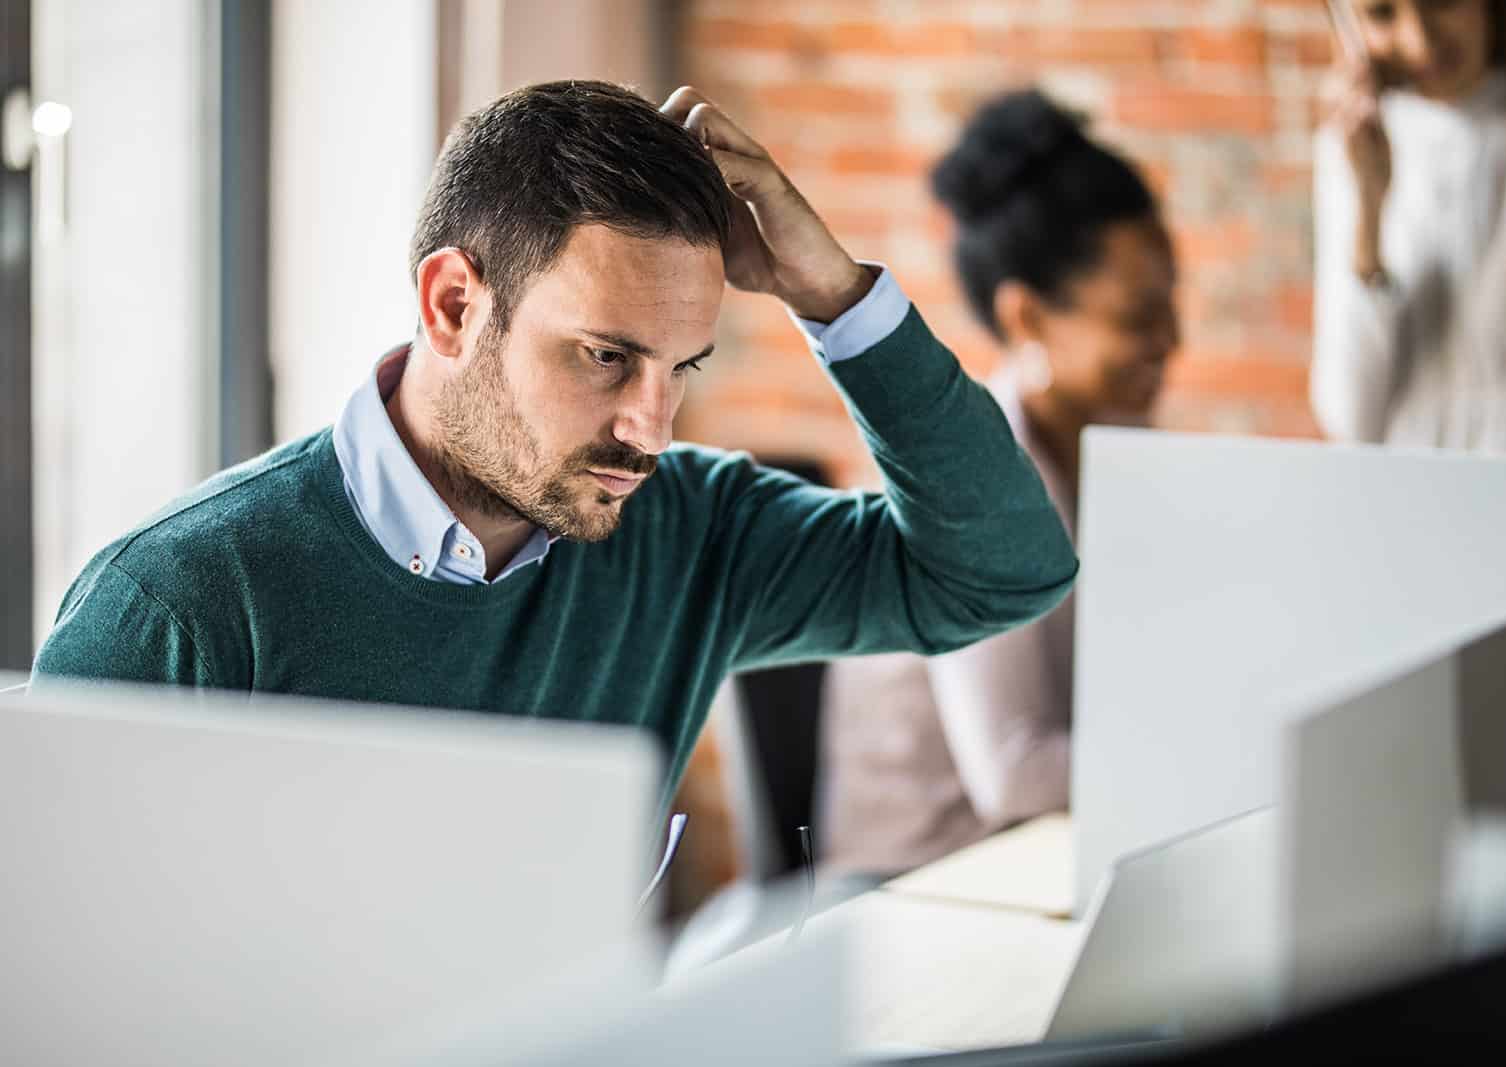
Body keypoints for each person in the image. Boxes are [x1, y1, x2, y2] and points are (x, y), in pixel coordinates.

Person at [30, 82, 1078, 806]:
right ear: (452, 304)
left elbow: (1003, 573)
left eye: (684, 368)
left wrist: (834, 296)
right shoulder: (177, 607)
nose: (651, 430)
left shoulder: (686, 531)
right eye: (605, 356)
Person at [818, 91, 1178, 877]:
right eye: (1138, 316)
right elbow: (1013, 770)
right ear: (1028, 317)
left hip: (1045, 858)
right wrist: (1211, 751)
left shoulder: (1122, 448)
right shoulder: (975, 476)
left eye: (1172, 303)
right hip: (919, 876)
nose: (1171, 339)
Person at [1312, 0, 1506, 455]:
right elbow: (1349, 417)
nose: (1420, 40)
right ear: (1347, 26)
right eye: (1382, 14)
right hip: (1417, 496)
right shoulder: (1353, 147)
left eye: (1442, 1)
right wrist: (1369, 211)